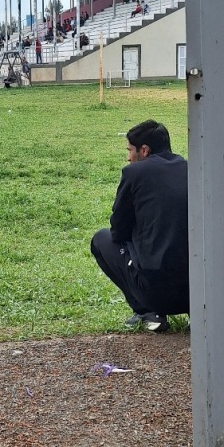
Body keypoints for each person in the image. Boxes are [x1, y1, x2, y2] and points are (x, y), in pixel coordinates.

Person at [90, 119, 189, 332]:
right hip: (196, 292)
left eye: (129, 150)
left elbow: (118, 229)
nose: (127, 157)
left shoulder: (134, 174)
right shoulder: (190, 168)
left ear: (144, 150)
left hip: (156, 292)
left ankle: (146, 311)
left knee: (101, 239)